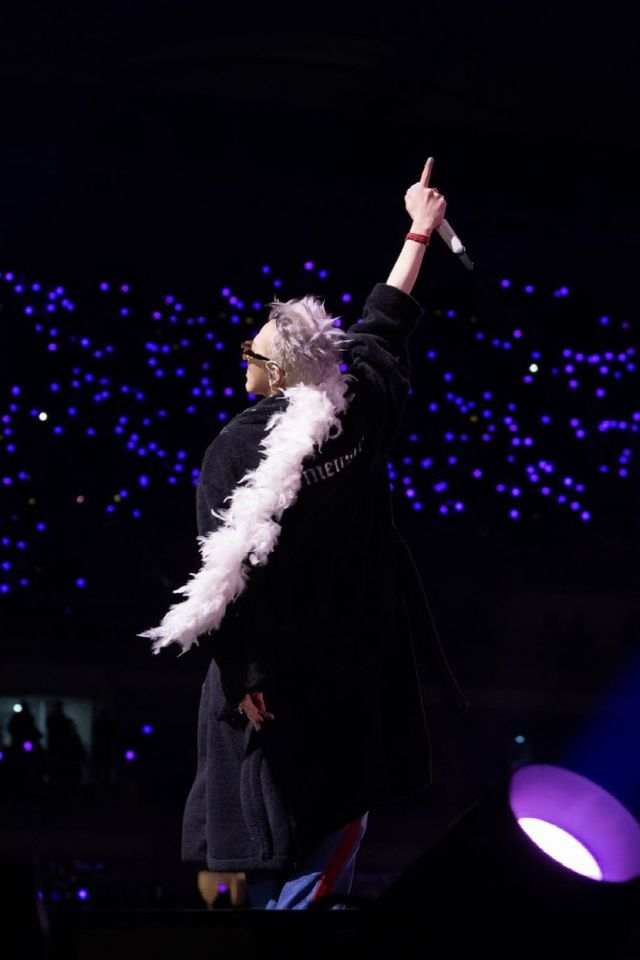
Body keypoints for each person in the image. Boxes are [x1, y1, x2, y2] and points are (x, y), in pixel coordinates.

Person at [139, 158, 468, 909]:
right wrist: (419, 230)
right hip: (355, 652)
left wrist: (248, 675)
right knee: (332, 813)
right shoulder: (362, 405)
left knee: (269, 826)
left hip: (279, 674)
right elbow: (386, 318)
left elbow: (226, 575)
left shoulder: (234, 449)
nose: (243, 361)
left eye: (252, 354)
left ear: (281, 374)